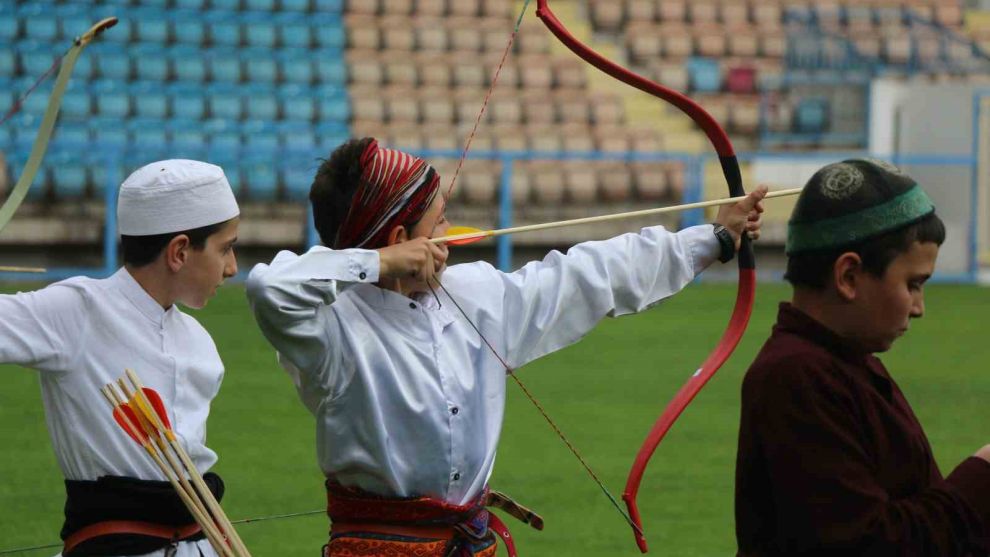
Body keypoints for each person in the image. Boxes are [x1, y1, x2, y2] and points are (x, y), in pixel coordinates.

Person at [246, 137, 766, 556]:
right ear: (404, 238)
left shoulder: (476, 295)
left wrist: (713, 239)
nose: (449, 230)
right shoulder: (331, 330)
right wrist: (379, 263)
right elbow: (270, 288)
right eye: (439, 220)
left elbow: (588, 276)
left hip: (469, 545)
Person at [735, 159, 990, 556]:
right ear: (849, 276)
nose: (919, 307)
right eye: (913, 284)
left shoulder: (845, 360)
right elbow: (866, 544)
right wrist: (982, 476)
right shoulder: (798, 376)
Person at [0, 160, 240, 557]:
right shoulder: (77, 310)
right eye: (226, 248)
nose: (232, 267)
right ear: (179, 251)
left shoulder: (200, 342)